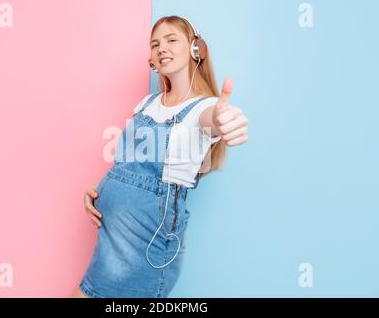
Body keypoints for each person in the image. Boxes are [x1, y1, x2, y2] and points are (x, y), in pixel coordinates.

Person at [71, 15, 249, 298]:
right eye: (155, 44)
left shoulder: (204, 108)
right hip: (110, 237)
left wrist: (226, 120)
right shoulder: (146, 104)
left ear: (195, 50)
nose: (161, 48)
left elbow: (214, 119)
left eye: (171, 40)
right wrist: (99, 191)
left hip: (145, 245)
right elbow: (127, 164)